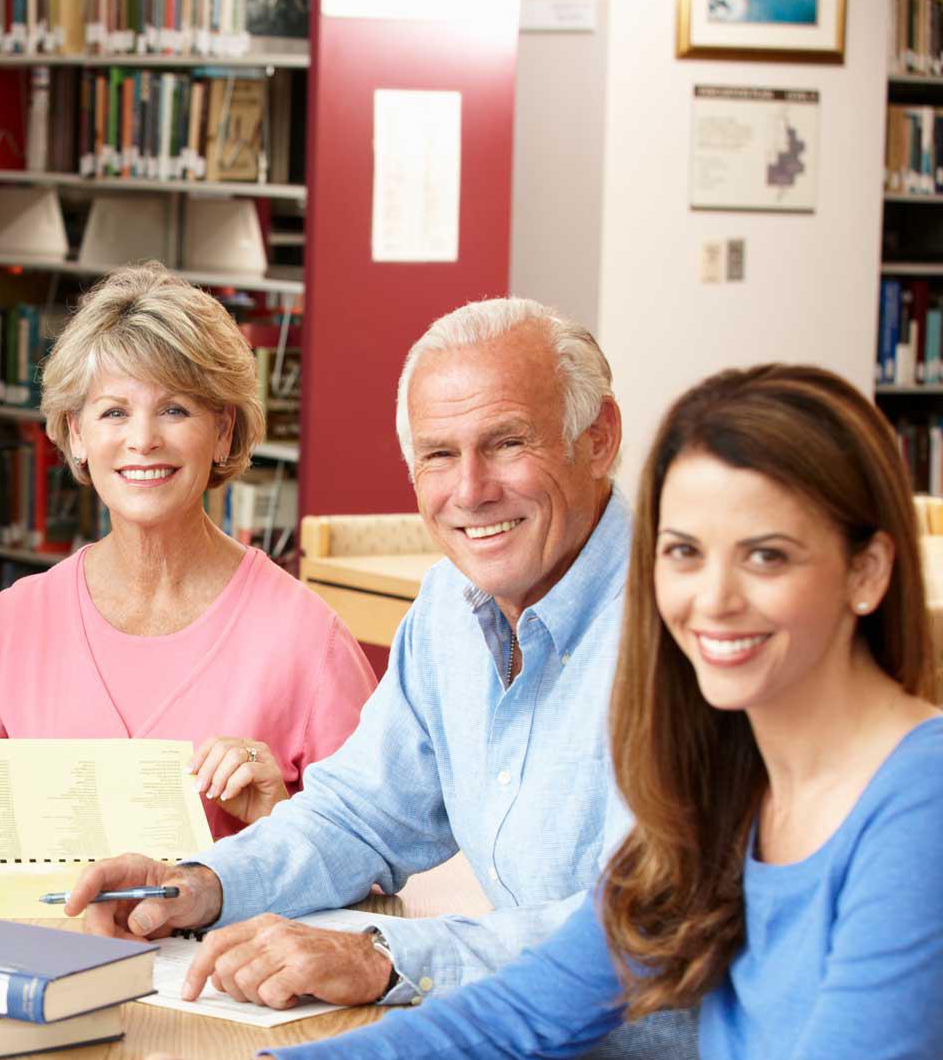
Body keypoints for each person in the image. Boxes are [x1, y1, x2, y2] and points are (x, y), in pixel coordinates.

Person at [63, 298, 692, 1056]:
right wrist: (196, 886)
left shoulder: (686, 628)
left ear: (598, 439)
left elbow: (643, 926)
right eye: (437, 455)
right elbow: (357, 815)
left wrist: (383, 955)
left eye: (507, 442)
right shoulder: (447, 610)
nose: (469, 490)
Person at [268, 365, 943, 1058]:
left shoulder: (922, 802)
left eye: (766, 557)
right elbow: (522, 1010)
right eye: (684, 552)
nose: (712, 599)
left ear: (867, 572)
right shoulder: (726, 785)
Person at [0, 264, 374, 838]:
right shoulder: (14, 625)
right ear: (76, 433)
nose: (143, 439)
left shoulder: (309, 640)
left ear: (223, 431)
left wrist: (281, 818)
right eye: (114, 412)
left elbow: (372, 861)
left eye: (175, 409)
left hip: (230, 930)